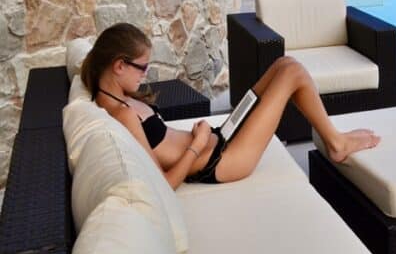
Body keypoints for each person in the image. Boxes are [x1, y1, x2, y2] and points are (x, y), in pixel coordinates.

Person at [81, 23, 380, 188]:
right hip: (222, 161)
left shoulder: (119, 97)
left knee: (284, 63)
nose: (146, 75)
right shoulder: (121, 114)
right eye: (142, 68)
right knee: (294, 72)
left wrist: (201, 136)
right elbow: (163, 183)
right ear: (119, 65)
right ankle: (337, 142)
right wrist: (197, 145)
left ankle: (335, 138)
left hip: (220, 136)